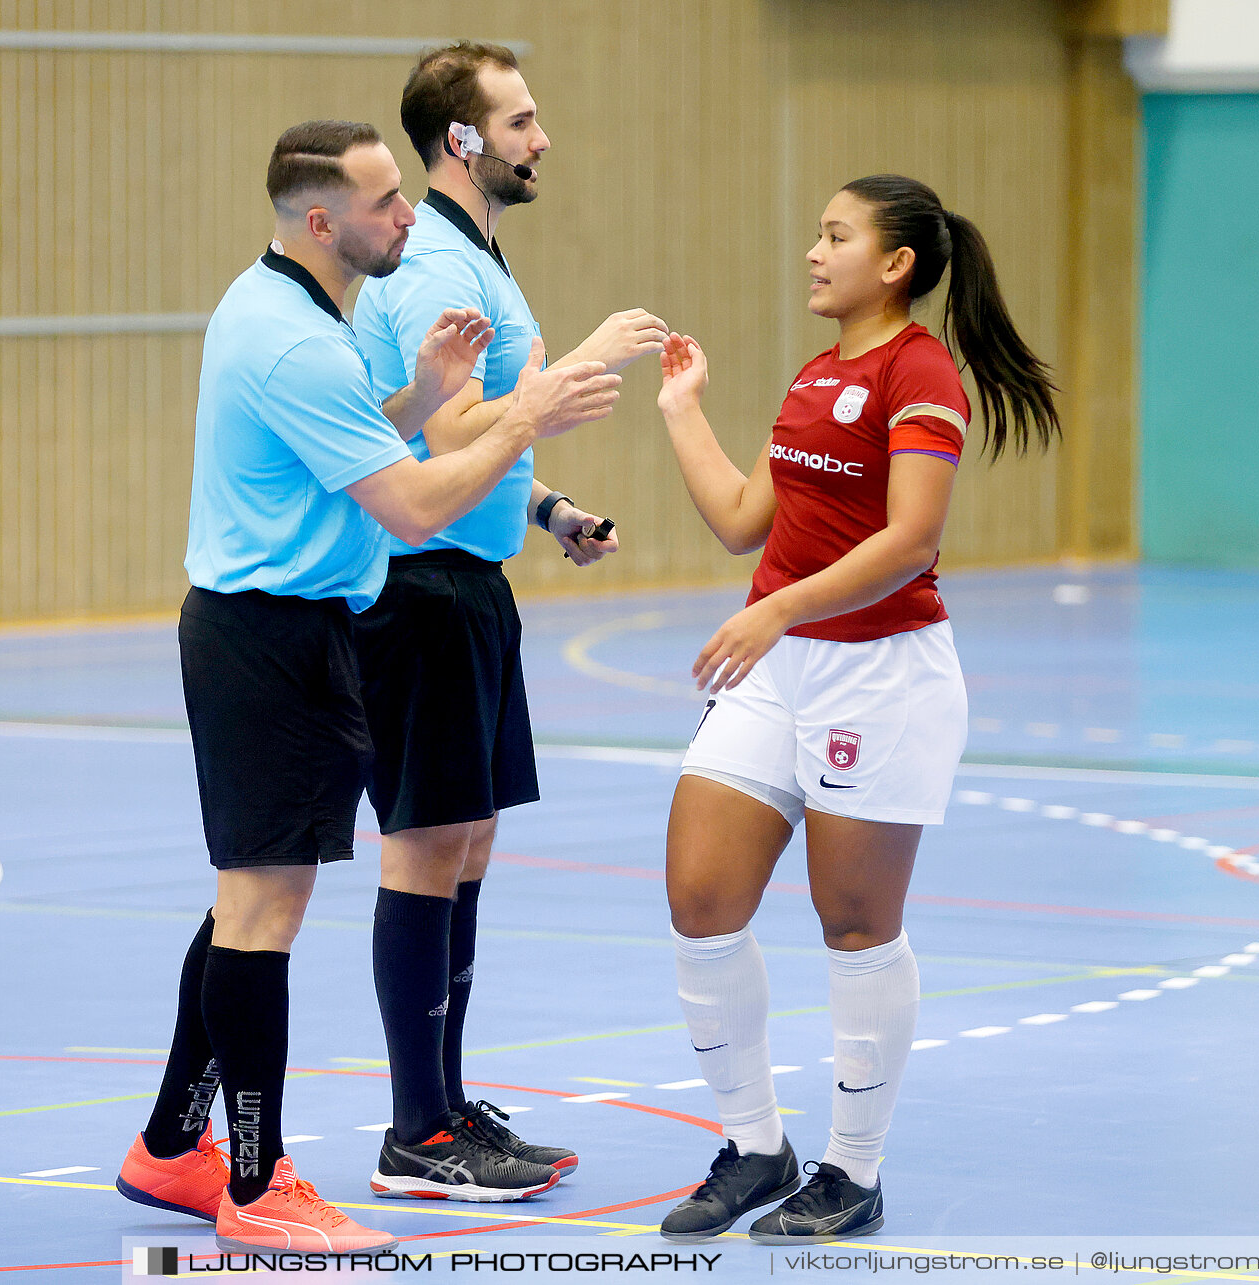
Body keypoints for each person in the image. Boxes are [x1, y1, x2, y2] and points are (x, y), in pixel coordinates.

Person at [112, 119, 620, 1251]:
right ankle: (254, 1181)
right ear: (320, 220)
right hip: (268, 644)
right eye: (387, 202)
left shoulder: (295, 312)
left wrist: (426, 393)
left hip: (295, 637)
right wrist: (525, 416)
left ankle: (168, 1145)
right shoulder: (295, 340)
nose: (406, 216)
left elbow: (348, 452)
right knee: (260, 914)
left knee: (244, 904)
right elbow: (414, 507)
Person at [650, 175, 1058, 1244]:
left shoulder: (920, 375)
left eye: (836, 236)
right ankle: (754, 1146)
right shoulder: (813, 374)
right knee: (700, 893)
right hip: (783, 668)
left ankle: (854, 1173)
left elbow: (911, 539)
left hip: (881, 677)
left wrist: (775, 610)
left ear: (897, 266)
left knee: (856, 923)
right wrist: (682, 412)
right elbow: (746, 518)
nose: (812, 253)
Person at [349, 41, 667, 1202]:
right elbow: (450, 430)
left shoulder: (479, 254)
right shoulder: (436, 260)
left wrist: (544, 507)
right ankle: (415, 1133)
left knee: (466, 841)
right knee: (426, 844)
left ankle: (444, 1101)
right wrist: (577, 365)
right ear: (464, 141)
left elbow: (481, 447)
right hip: (417, 589)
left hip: (471, 583)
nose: (541, 138)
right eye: (521, 120)